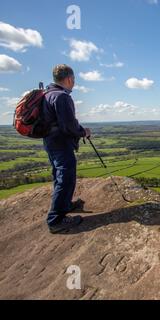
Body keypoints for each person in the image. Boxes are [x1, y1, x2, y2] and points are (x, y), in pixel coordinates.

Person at [42, 64, 92, 234]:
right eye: (74, 79)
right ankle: (55, 220)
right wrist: (83, 132)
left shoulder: (47, 94)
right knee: (66, 177)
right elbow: (68, 127)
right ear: (69, 79)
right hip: (61, 143)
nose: (74, 82)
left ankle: (64, 205)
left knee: (59, 174)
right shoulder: (62, 97)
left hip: (51, 142)